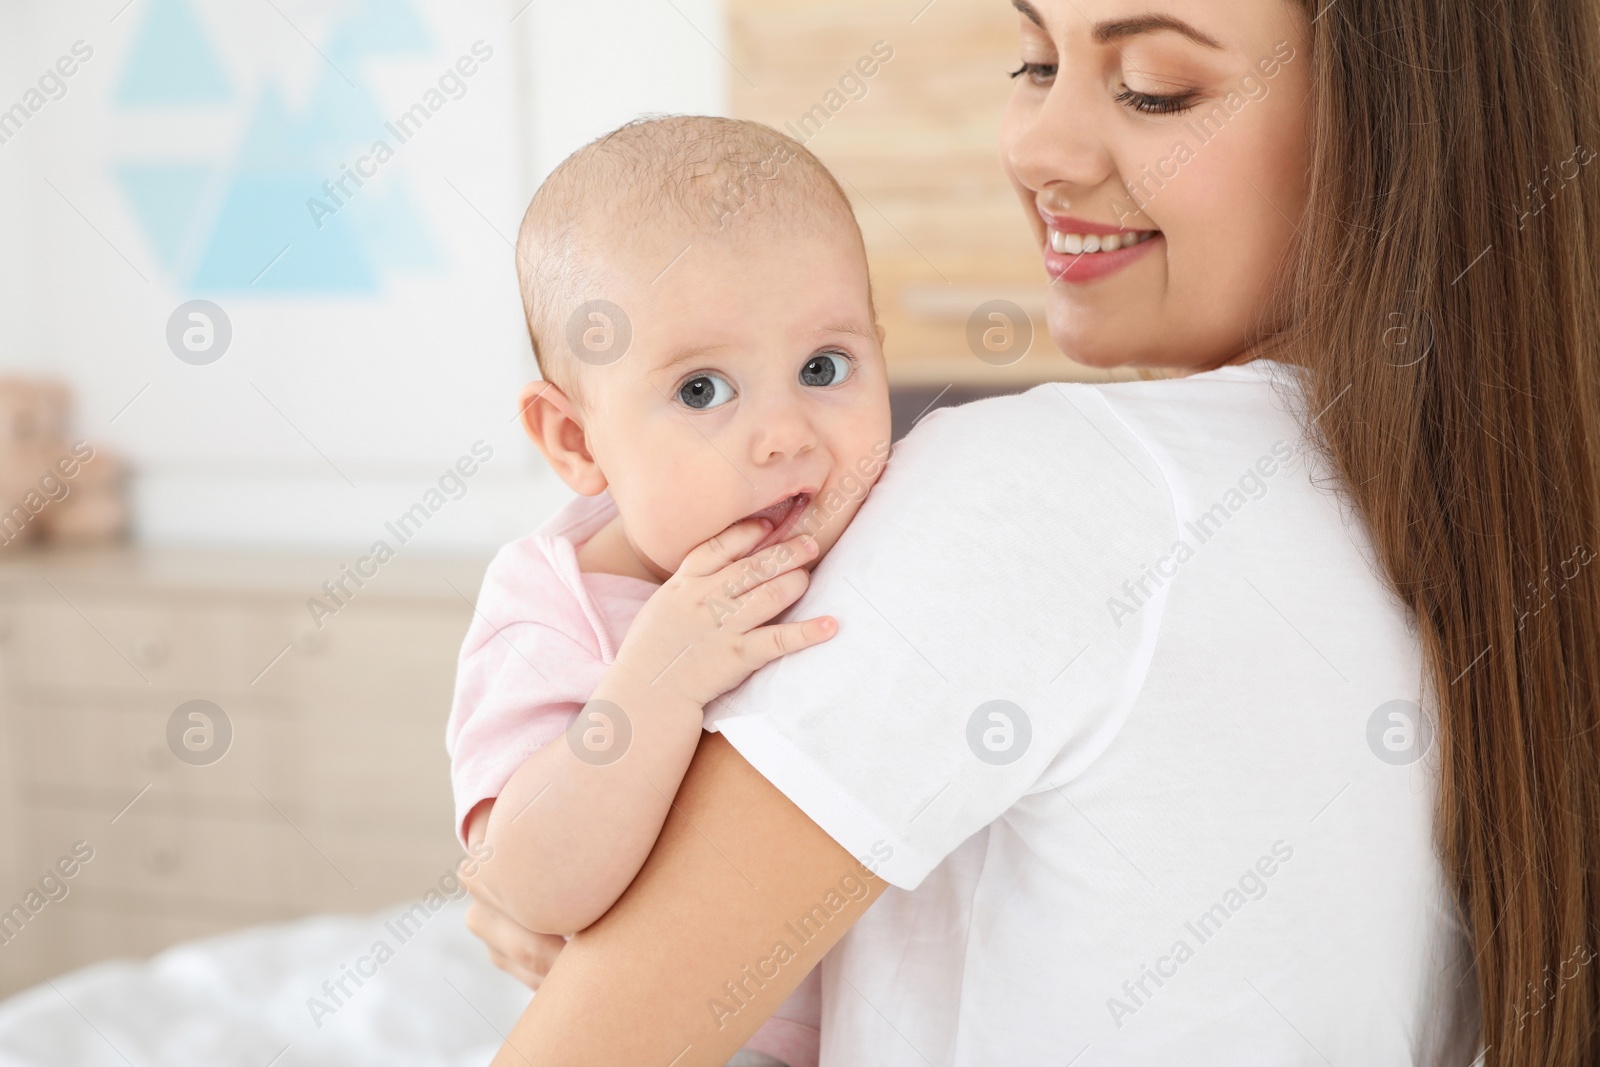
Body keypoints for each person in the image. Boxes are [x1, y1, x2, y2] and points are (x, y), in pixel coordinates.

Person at [469, 0, 1600, 1062]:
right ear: (571, 434)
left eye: (1154, 88)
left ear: (1401, 127)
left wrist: (535, 896)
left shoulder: (1042, 488)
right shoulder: (1494, 530)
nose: (1036, 149)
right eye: (1035, 63)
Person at [447, 116, 896, 1067]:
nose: (785, 435)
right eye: (702, 391)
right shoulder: (554, 606)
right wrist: (658, 677)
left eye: (825, 368)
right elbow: (527, 890)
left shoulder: (894, 518)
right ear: (576, 441)